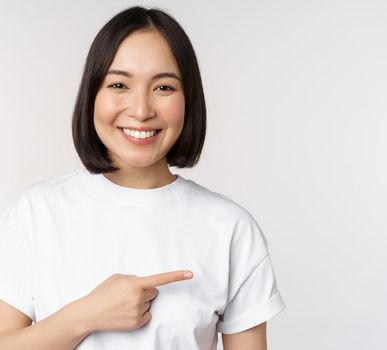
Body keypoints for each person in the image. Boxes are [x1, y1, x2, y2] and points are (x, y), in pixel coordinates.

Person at [0, 6, 285, 349]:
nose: (141, 110)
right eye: (119, 84)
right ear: (92, 95)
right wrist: (86, 314)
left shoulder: (231, 229)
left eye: (163, 87)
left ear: (188, 100)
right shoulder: (37, 211)